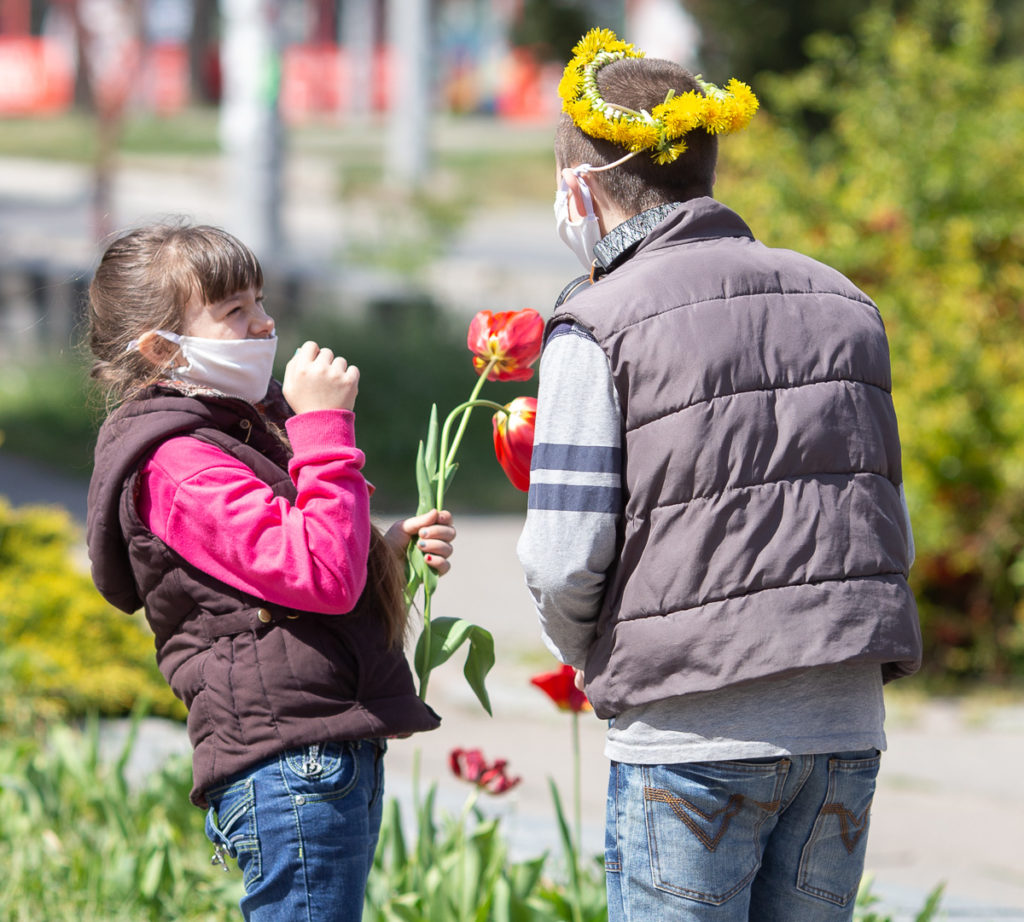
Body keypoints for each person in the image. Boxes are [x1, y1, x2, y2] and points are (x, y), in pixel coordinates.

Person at [517, 29, 922, 922]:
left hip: (689, 728)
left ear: (581, 187)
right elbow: (886, 520)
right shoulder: (844, 301)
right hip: (844, 725)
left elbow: (561, 557)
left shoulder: (599, 322)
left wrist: (590, 655)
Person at [85, 220, 454, 922]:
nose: (264, 323)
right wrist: (323, 430)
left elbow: (306, 576)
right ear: (162, 348)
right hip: (289, 759)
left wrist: (386, 558)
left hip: (320, 743)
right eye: (234, 310)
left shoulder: (241, 429)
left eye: (259, 300)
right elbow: (319, 576)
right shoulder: (178, 463)